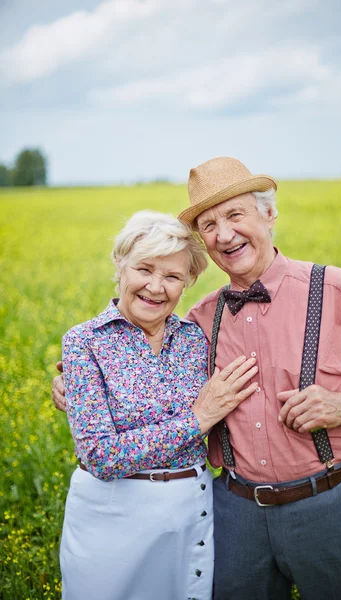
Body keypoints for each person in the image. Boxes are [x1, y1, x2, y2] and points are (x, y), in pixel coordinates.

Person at [53, 158, 341, 600]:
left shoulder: (333, 289)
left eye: (236, 215)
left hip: (331, 503)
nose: (225, 233)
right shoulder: (199, 322)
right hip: (235, 517)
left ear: (269, 215)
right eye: (210, 224)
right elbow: (133, 372)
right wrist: (73, 385)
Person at [58, 209, 258, 600]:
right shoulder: (84, 342)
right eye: (144, 269)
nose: (155, 287)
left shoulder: (195, 339)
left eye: (172, 276)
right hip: (110, 523)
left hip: (191, 517)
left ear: (189, 282)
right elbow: (100, 455)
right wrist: (196, 420)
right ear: (120, 266)